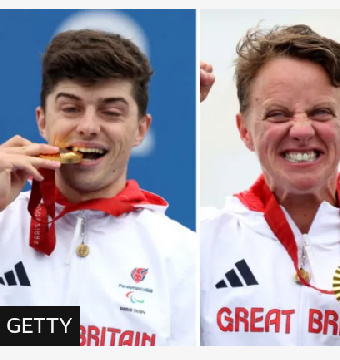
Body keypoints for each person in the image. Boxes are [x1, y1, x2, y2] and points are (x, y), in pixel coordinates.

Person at [199, 24, 340, 346]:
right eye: (277, 114)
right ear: (245, 130)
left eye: (321, 112)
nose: (302, 130)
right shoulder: (202, 243)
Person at [0, 29, 196, 346]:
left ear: (140, 130)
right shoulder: (3, 221)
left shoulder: (183, 255)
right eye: (71, 108)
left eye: (111, 112)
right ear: (42, 121)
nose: (89, 127)